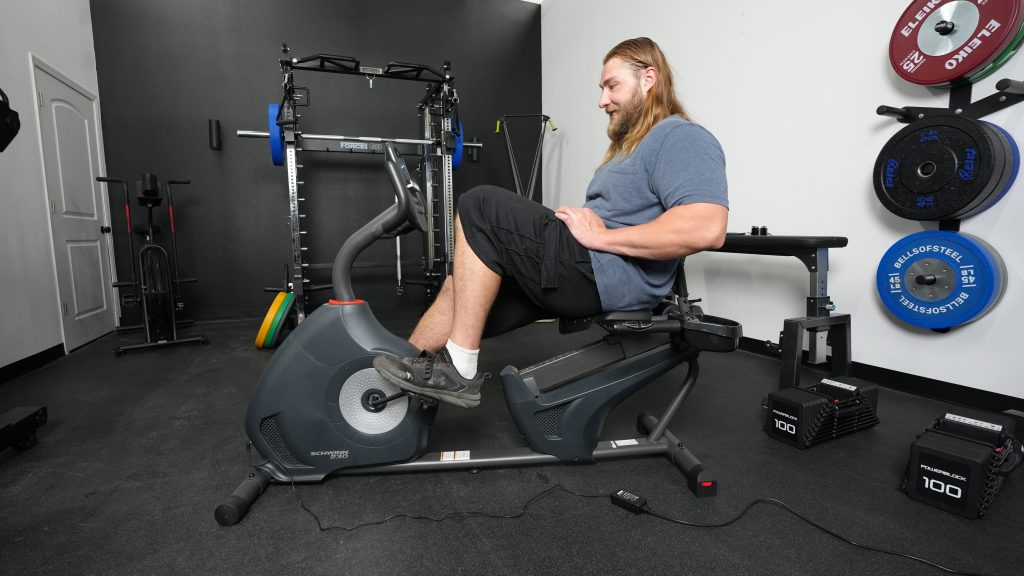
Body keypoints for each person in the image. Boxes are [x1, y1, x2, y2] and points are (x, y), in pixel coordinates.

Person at [374, 37, 729, 408]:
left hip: (603, 271)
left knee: (480, 204)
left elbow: (706, 228)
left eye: (612, 86)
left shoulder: (681, 137)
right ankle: (396, 384)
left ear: (648, 79)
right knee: (459, 286)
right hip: (587, 262)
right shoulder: (632, 147)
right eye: (602, 89)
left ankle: (459, 371)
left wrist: (602, 237)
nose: (602, 100)